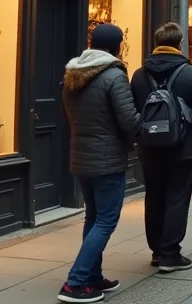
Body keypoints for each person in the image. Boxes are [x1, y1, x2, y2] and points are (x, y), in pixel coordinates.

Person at [59, 23, 141, 302]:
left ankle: (92, 277)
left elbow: (68, 116)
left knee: (93, 217)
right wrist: (148, 117)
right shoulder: (114, 76)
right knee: (106, 220)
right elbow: (129, 120)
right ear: (117, 47)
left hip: (81, 155)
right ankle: (75, 282)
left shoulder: (73, 74)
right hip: (107, 159)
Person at [130, 22, 192, 273]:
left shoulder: (139, 74)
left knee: (154, 196)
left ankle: (156, 250)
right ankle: (170, 254)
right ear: (180, 43)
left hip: (149, 147)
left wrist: (139, 136)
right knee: (177, 197)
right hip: (181, 146)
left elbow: (132, 110)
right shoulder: (190, 73)